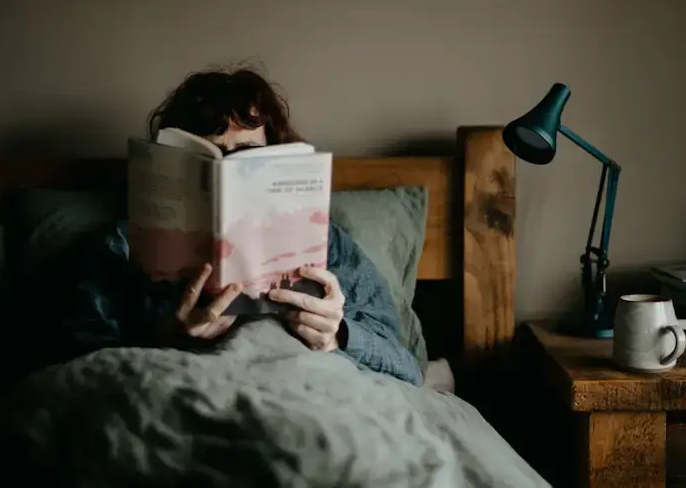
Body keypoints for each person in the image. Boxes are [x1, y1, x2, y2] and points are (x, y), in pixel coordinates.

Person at [56, 63, 423, 386]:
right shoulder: (118, 246)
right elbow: (66, 369)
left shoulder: (327, 244)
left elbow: (407, 369)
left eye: (246, 155)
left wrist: (337, 336)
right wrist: (165, 342)